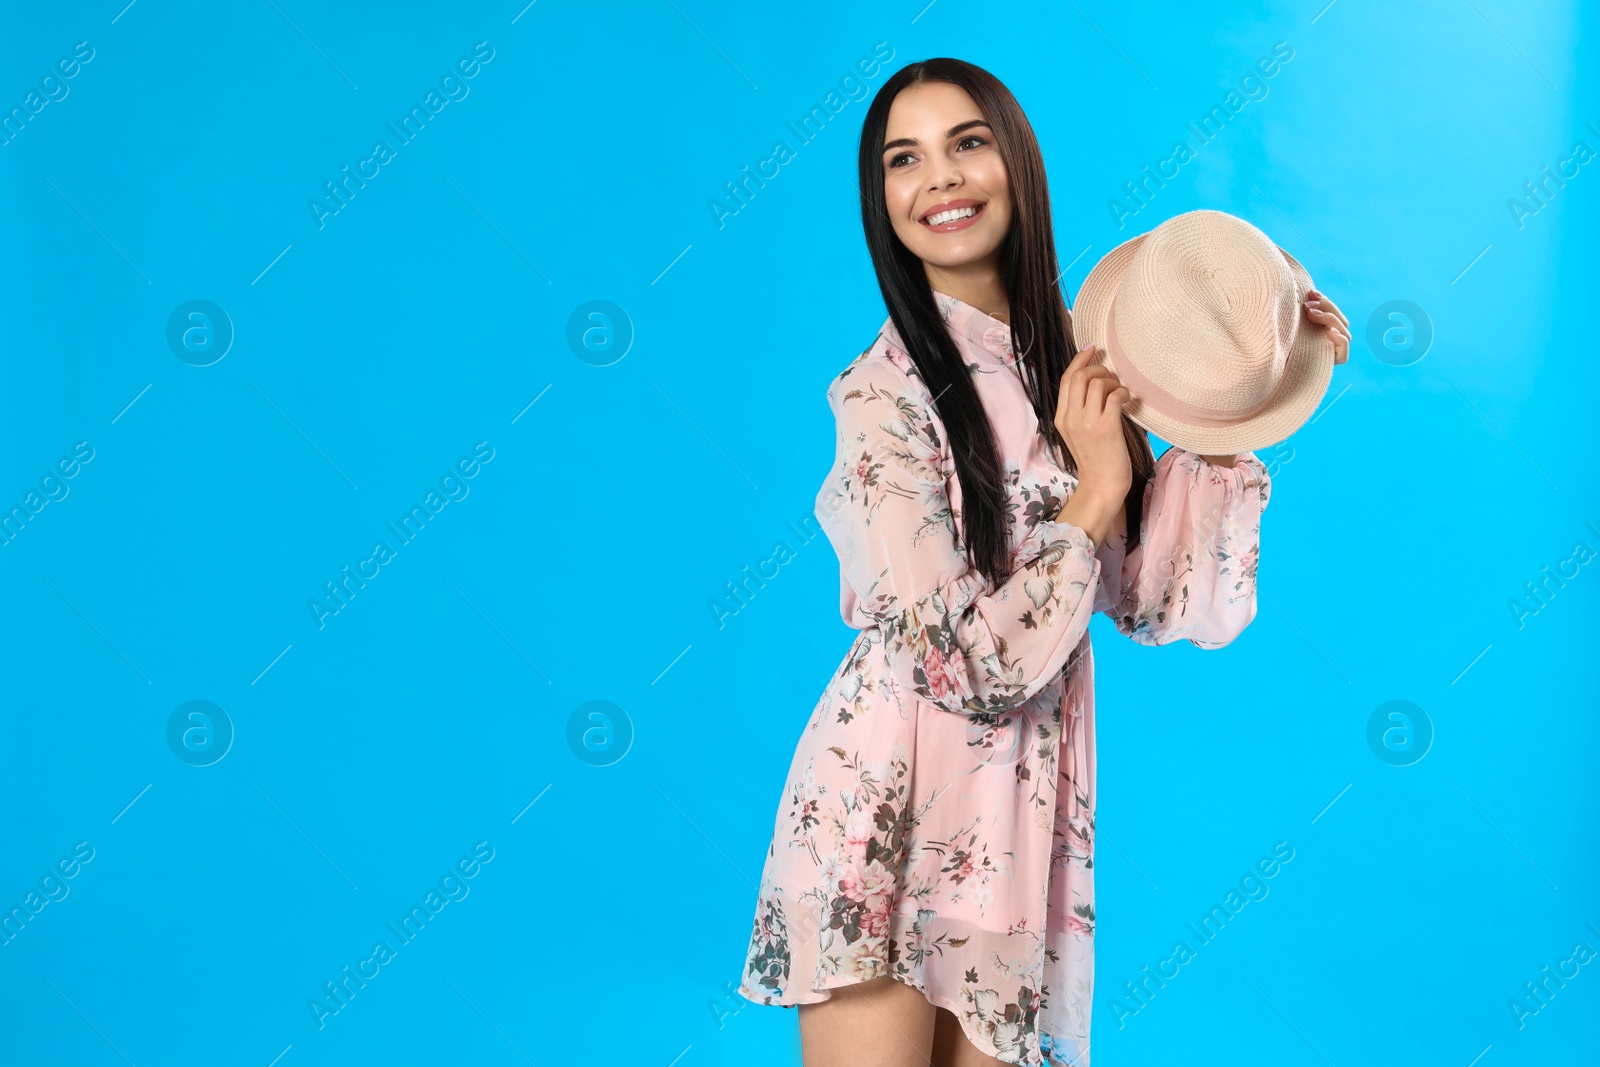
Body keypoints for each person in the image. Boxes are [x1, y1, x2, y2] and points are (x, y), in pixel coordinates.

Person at [736, 57, 1351, 1067]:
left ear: (1016, 164)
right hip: (885, 806)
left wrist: (1227, 417)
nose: (938, 175)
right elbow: (962, 667)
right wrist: (1095, 489)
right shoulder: (879, 397)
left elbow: (1164, 608)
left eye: (967, 141)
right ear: (880, 199)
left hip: (1020, 828)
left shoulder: (1083, 371)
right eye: (904, 157)